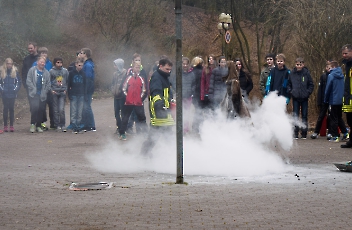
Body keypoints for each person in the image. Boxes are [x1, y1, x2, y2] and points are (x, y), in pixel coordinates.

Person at [141, 57, 174, 156]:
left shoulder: (164, 77)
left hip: (165, 111)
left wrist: (171, 100)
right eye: (167, 69)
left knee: (164, 134)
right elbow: (156, 92)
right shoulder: (156, 77)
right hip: (158, 112)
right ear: (160, 66)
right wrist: (160, 105)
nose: (169, 71)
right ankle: (144, 154)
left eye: (170, 69)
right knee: (155, 136)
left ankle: (146, 154)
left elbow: (167, 93)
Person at [118, 62, 148, 140]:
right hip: (128, 101)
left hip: (138, 102)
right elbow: (123, 88)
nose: (137, 69)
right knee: (125, 117)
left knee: (142, 118)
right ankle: (122, 133)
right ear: (133, 67)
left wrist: (140, 98)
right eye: (136, 67)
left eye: (139, 68)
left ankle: (145, 133)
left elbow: (144, 90)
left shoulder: (141, 78)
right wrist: (127, 97)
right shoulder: (128, 77)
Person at [287, 58, 314, 139]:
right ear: (295, 65)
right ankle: (295, 133)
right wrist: (291, 92)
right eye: (297, 64)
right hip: (295, 97)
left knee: (304, 115)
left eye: (300, 64)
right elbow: (288, 84)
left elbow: (311, 84)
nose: (299, 66)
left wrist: (307, 92)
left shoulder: (306, 73)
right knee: (295, 115)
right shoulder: (292, 73)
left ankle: (304, 133)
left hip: (304, 97)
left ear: (303, 65)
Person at [26, 56, 51, 133]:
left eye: (43, 62)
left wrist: (45, 91)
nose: (42, 63)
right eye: (41, 62)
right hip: (34, 94)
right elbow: (28, 80)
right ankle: (33, 124)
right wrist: (33, 88)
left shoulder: (46, 73)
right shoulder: (32, 70)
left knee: (41, 109)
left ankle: (39, 125)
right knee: (35, 108)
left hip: (42, 94)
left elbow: (48, 84)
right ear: (37, 62)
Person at [126, 53, 148, 135]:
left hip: (139, 97)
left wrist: (143, 96)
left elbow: (145, 84)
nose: (138, 62)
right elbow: (126, 84)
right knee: (132, 113)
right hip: (131, 97)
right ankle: (129, 128)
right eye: (136, 60)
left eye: (139, 60)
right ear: (133, 61)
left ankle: (142, 131)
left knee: (140, 114)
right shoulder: (129, 71)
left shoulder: (143, 71)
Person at [33, 47, 54, 130]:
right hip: (40, 89)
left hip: (48, 88)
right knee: (41, 107)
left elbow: (52, 75)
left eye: (45, 53)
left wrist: (50, 85)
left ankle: (53, 124)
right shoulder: (35, 64)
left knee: (51, 106)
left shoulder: (49, 63)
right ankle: (42, 123)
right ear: (39, 54)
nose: (44, 54)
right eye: (42, 53)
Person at [325, 61, 346, 142]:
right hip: (341, 100)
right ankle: (345, 132)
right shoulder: (342, 75)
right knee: (339, 117)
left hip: (333, 100)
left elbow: (328, 89)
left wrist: (326, 99)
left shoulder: (331, 76)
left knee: (333, 118)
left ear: (333, 67)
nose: (329, 69)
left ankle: (335, 136)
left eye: (330, 67)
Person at [0, 58, 21, 132]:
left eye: (11, 64)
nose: (9, 65)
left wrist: (15, 90)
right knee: (5, 109)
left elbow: (18, 82)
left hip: (12, 94)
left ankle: (11, 125)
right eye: (8, 63)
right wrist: (2, 90)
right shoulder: (2, 72)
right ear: (5, 64)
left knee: (11, 109)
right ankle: (5, 125)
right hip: (4, 94)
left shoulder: (15, 72)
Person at [67, 58, 86, 134]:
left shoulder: (83, 74)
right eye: (79, 65)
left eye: (81, 65)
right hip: (74, 94)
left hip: (81, 94)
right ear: (75, 64)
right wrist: (69, 94)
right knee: (73, 111)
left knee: (80, 111)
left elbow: (85, 85)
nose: (80, 67)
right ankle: (73, 125)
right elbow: (69, 85)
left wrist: (85, 95)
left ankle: (78, 126)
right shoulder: (71, 73)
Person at [50, 57, 69, 132]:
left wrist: (66, 90)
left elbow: (68, 81)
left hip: (62, 92)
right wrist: (51, 90)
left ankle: (62, 124)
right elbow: (48, 82)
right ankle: (57, 125)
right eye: (57, 62)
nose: (59, 64)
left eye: (60, 62)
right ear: (54, 63)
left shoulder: (65, 71)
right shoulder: (51, 71)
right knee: (55, 110)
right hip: (54, 92)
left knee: (61, 109)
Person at [80, 48, 96, 132]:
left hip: (87, 89)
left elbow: (88, 79)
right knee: (85, 107)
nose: (80, 54)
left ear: (85, 54)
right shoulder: (86, 64)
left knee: (87, 107)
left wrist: (85, 91)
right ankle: (87, 124)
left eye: (81, 53)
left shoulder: (88, 65)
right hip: (86, 88)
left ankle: (91, 125)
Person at [341, 44, 352, 148]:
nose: (344, 55)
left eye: (346, 53)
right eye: (343, 53)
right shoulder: (346, 65)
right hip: (348, 96)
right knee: (349, 120)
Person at [111, 58, 126, 134]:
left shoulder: (125, 73)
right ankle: (118, 127)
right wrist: (113, 90)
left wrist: (122, 91)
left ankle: (123, 129)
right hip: (116, 96)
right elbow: (112, 84)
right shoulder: (114, 74)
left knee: (123, 113)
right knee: (116, 113)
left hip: (122, 96)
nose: (114, 66)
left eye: (115, 65)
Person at [181, 57, 195, 134]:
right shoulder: (179, 74)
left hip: (188, 96)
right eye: (184, 64)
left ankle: (186, 129)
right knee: (181, 112)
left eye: (186, 64)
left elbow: (194, 84)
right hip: (181, 96)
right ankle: (181, 128)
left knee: (187, 112)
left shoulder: (192, 74)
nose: (185, 65)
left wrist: (191, 92)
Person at [190, 56, 204, 134]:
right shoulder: (201, 72)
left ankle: (195, 127)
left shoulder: (192, 71)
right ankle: (198, 127)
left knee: (197, 111)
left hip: (194, 94)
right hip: (199, 93)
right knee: (199, 111)